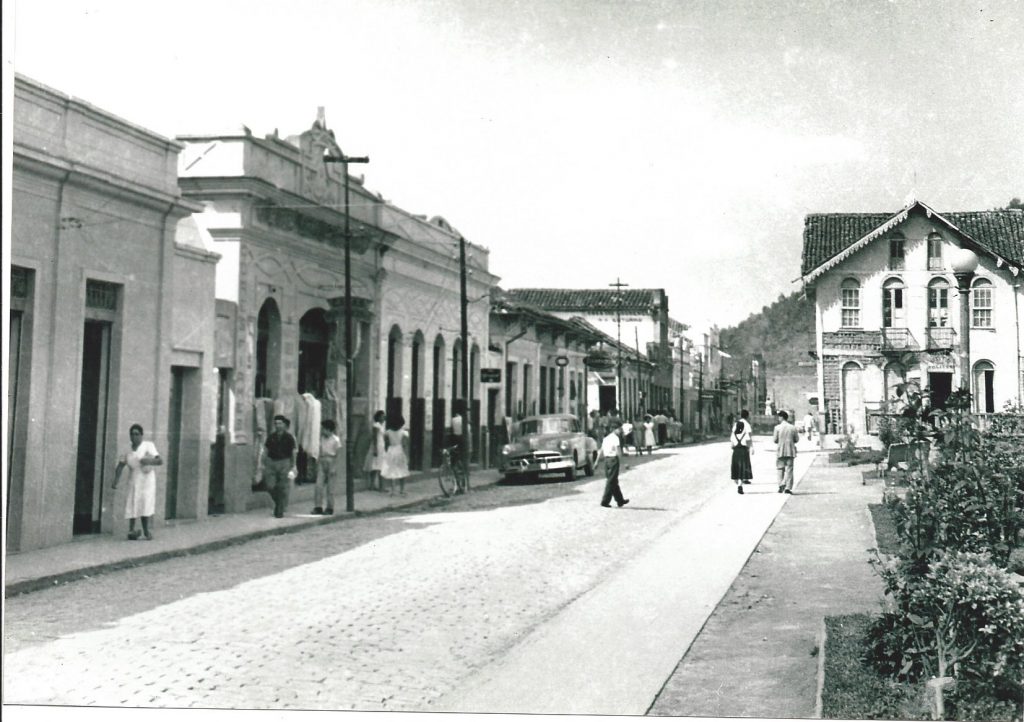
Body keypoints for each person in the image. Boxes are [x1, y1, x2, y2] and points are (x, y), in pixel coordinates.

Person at [112, 424, 162, 540]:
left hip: (147, 479)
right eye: (132, 434)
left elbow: (159, 460)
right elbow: (120, 466)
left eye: (137, 434)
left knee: (144, 503)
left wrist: (147, 460)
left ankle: (146, 530)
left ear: (141, 435)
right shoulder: (127, 450)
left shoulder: (148, 446)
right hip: (134, 478)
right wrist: (115, 481)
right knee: (132, 502)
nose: (134, 437)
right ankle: (132, 530)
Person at [257, 414, 297, 518]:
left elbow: (293, 452)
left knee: (282, 486)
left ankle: (279, 509)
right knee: (270, 486)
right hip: (272, 462)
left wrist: (294, 465)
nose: (278, 425)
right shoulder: (271, 437)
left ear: (284, 424)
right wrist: (261, 463)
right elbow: (265, 450)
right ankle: (279, 503)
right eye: (276, 423)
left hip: (284, 462)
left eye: (280, 423)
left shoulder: (289, 437)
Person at [313, 419, 341, 515]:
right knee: (318, 486)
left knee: (330, 488)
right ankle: (318, 507)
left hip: (331, 461)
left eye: (324, 429)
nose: (322, 431)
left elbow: (338, 455)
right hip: (322, 460)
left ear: (329, 429)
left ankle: (329, 507)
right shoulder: (321, 438)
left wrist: (334, 467)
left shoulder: (336, 440)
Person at [599, 423, 629, 508]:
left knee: (614, 481)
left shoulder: (606, 438)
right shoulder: (615, 438)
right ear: (615, 429)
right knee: (611, 481)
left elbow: (601, 450)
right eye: (620, 429)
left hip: (606, 460)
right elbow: (618, 451)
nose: (621, 431)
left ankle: (620, 500)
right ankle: (605, 501)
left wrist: (596, 462)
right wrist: (624, 463)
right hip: (613, 460)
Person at [381, 412, 410, 496]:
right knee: (402, 470)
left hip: (391, 450)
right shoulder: (404, 433)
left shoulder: (388, 432)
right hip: (400, 450)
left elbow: (386, 443)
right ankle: (402, 489)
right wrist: (407, 455)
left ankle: (393, 490)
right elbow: (405, 445)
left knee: (392, 470)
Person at [773, 410, 800, 494]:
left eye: (779, 417)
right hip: (790, 451)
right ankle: (788, 487)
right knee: (789, 469)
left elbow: (775, 440)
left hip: (780, 451)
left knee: (780, 468)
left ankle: (781, 484)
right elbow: (797, 439)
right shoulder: (793, 427)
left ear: (781, 417)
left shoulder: (777, 428)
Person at [363, 410, 386, 491]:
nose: (383, 417)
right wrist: (375, 448)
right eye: (382, 416)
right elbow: (375, 437)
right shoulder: (376, 425)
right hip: (377, 446)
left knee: (377, 466)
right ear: (378, 417)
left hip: (381, 446)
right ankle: (379, 487)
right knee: (377, 466)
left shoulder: (381, 426)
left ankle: (373, 486)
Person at [730, 416, 753, 494]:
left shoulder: (733, 435)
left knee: (736, 468)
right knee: (742, 469)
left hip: (736, 452)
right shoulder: (745, 435)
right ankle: (740, 485)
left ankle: (736, 481)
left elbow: (731, 446)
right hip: (743, 452)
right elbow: (748, 443)